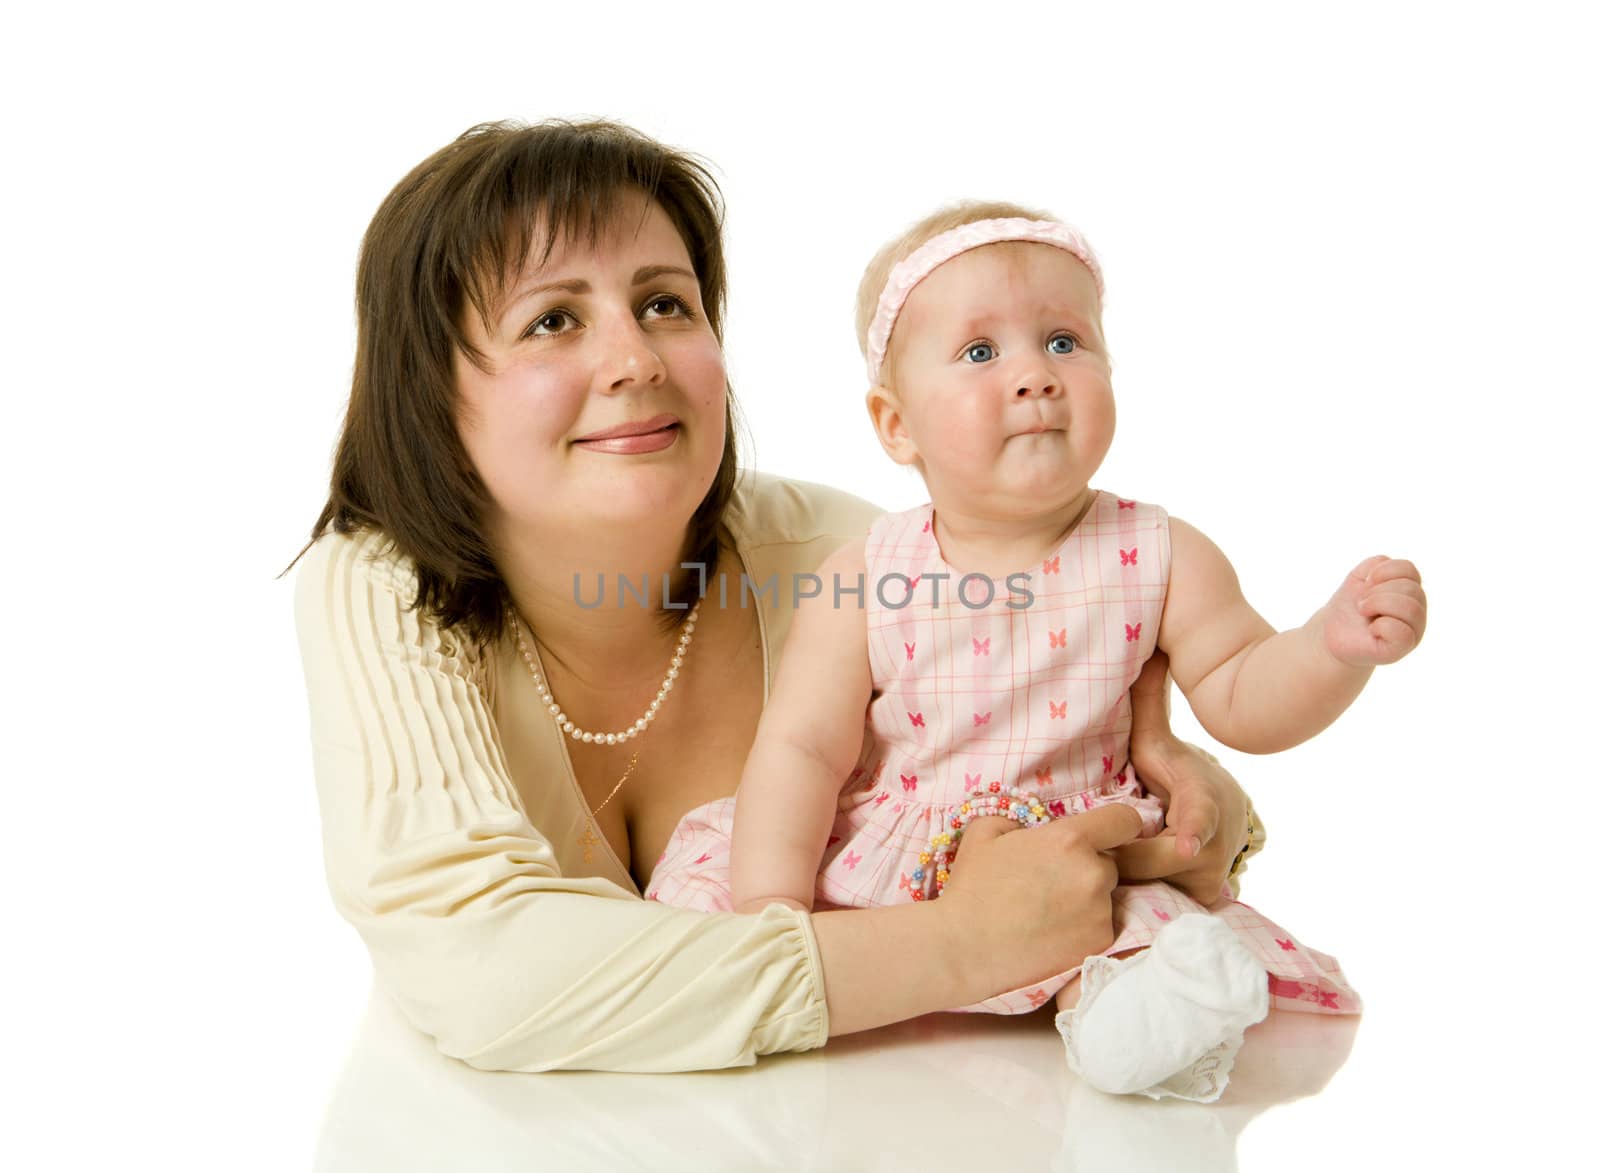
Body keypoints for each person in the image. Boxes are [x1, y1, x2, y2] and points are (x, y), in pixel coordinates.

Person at [291, 120, 1263, 1075]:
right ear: (428, 387)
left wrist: (1207, 810)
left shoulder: (848, 558)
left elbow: (1054, 726)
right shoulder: (380, 589)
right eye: (554, 320)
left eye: (666, 304)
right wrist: (959, 945)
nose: (637, 360)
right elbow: (483, 977)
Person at [647, 203, 1425, 1100]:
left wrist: (1331, 647)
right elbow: (801, 749)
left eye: (1064, 342)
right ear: (896, 425)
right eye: (981, 353)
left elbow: (1244, 693)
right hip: (896, 851)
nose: (1035, 377)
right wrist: (774, 911)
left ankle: (1134, 1020)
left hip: (1078, 850)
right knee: (704, 900)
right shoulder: (865, 573)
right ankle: (812, 972)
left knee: (1140, 932)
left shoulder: (1161, 554)